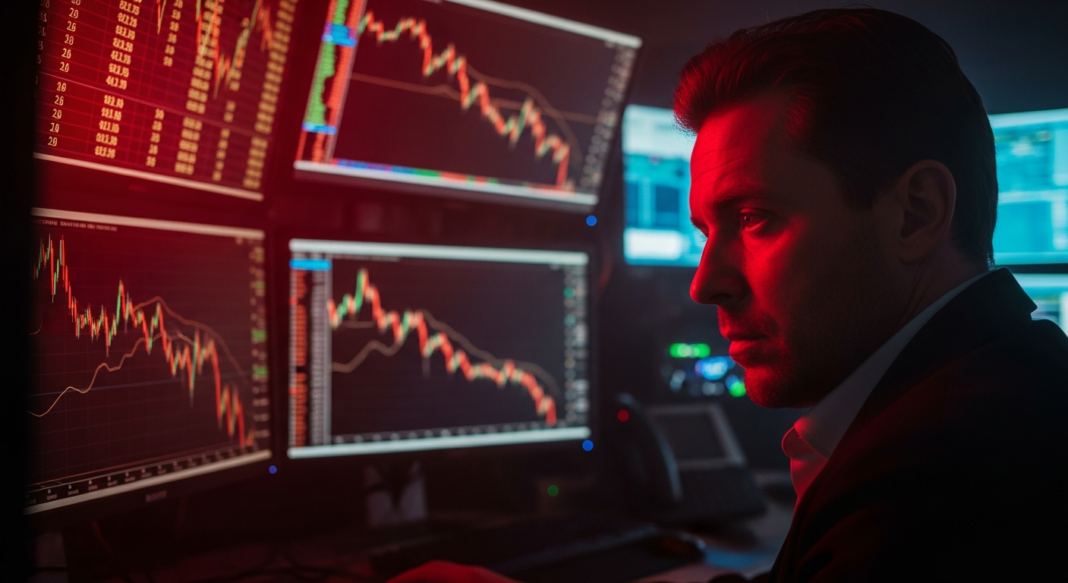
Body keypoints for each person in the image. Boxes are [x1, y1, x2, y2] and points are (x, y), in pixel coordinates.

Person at [390, 8, 1067, 582]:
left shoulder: (943, 469)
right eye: (707, 231)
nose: (703, 280)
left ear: (915, 213)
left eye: (754, 219)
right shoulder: (1000, 381)